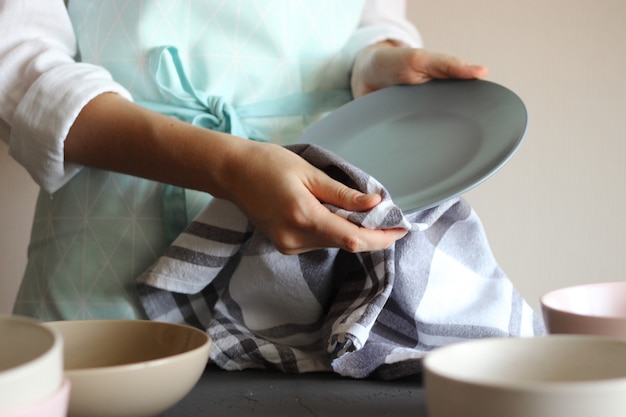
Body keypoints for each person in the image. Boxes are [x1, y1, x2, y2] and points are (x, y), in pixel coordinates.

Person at [0, 0, 488, 321]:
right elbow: (16, 62)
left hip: (301, 269)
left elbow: (367, 19)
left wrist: (375, 60)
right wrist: (229, 166)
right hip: (105, 269)